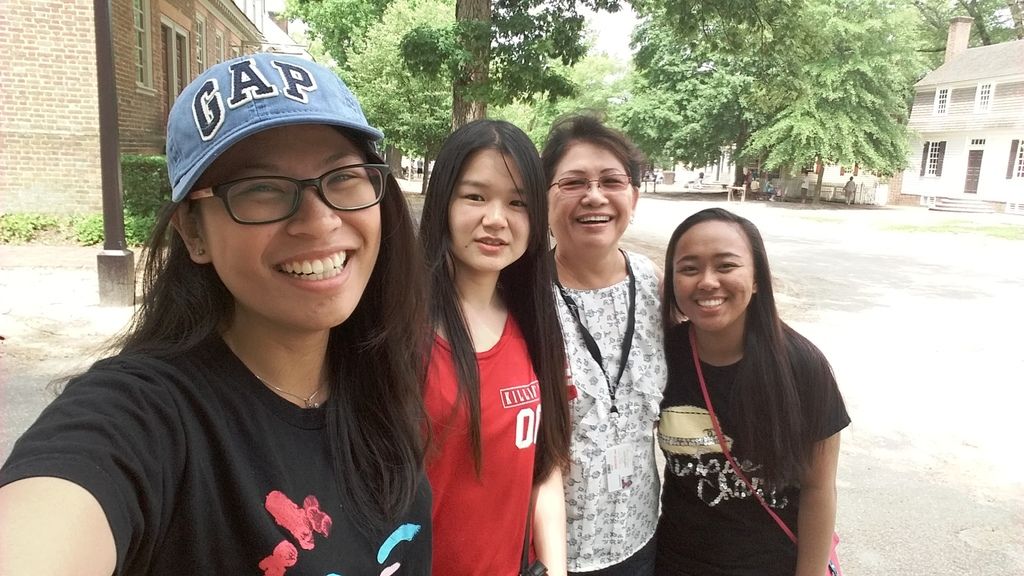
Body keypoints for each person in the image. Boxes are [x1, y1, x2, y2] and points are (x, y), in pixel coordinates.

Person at [0, 54, 432, 574]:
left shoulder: (378, 375)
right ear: (193, 232)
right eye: (261, 188)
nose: (320, 222)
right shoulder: (148, 416)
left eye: (342, 177)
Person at [656, 207, 850, 576]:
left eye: (726, 266)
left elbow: (818, 489)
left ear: (758, 278)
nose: (707, 282)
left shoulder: (803, 366)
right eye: (689, 268)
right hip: (674, 563)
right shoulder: (661, 356)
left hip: (774, 565)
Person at [419, 119, 572, 575]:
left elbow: (544, 464)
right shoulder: (398, 333)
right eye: (475, 196)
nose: (496, 219)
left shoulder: (536, 326)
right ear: (443, 202)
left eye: (518, 203)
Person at [541, 115, 667, 576]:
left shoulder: (655, 285)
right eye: (573, 182)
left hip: (641, 540)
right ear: (544, 198)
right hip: (548, 553)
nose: (594, 196)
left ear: (634, 196)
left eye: (612, 181)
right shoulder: (521, 295)